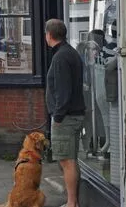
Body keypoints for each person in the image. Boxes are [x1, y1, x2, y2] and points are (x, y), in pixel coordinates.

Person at [45, 19, 85, 207]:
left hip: (66, 117)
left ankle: (71, 203)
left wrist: (58, 116)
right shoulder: (70, 52)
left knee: (66, 160)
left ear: (49, 35)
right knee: (71, 159)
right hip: (74, 114)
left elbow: (63, 90)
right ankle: (73, 201)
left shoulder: (60, 57)